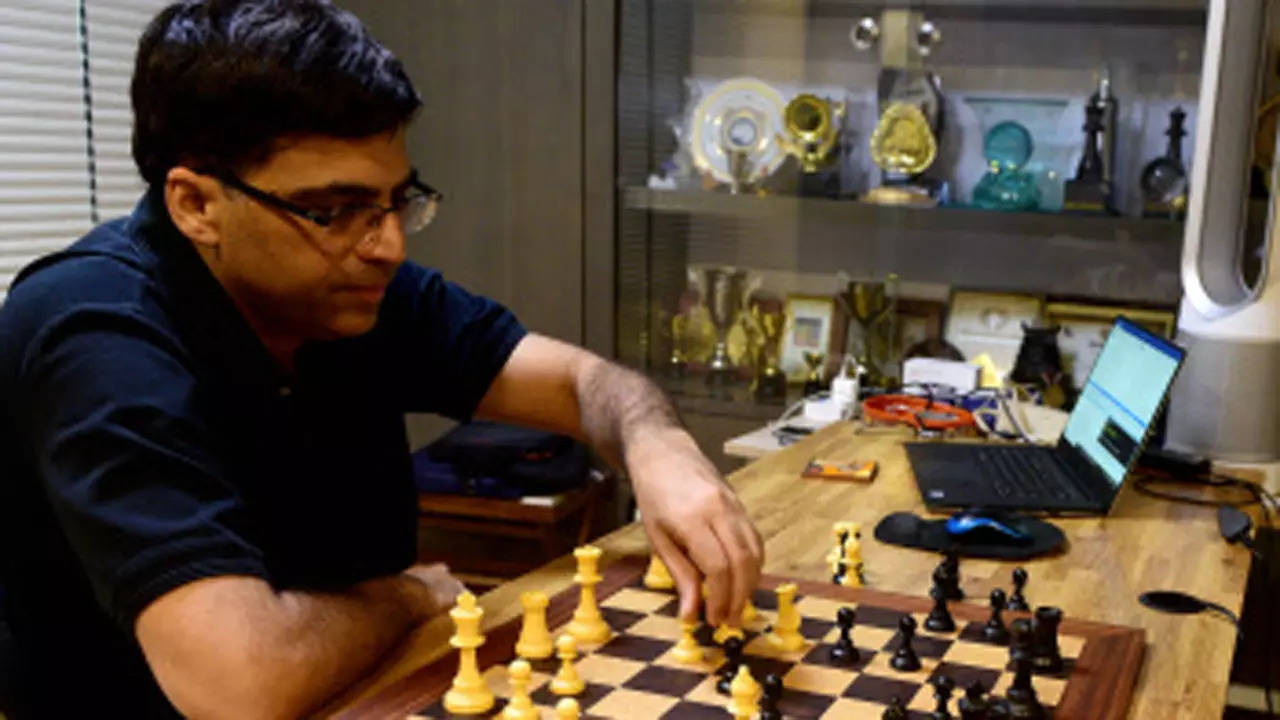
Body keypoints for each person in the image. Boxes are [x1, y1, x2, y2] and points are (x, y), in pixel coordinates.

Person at [0, 1, 762, 717]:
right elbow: (239, 683)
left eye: (398, 199)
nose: (388, 245)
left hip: (372, 691)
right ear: (196, 205)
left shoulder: (351, 289)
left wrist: (658, 447)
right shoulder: (94, 333)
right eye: (332, 212)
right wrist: (405, 597)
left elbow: (585, 383)